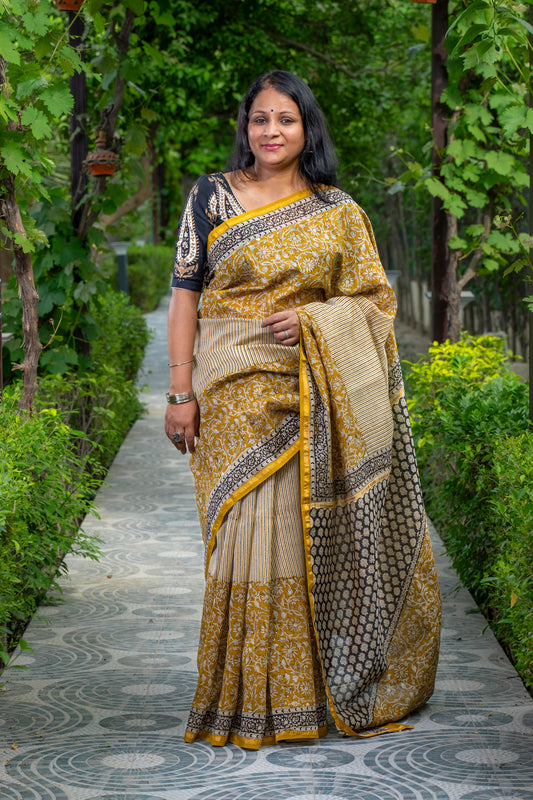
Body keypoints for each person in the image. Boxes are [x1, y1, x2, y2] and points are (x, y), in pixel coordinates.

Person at [164, 70, 441, 750]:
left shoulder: (337, 210)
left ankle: (298, 694)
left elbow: (374, 302)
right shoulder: (211, 195)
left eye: (284, 120)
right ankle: (238, 691)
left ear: (305, 128)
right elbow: (183, 295)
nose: (270, 132)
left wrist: (315, 320)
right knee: (242, 531)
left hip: (309, 390)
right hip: (231, 388)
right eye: (259, 119)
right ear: (246, 126)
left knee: (296, 531)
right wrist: (179, 392)